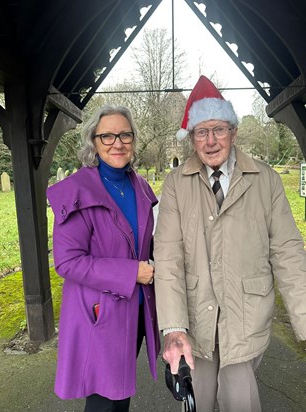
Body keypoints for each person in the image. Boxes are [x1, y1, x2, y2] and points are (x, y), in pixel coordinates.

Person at [154, 75, 306, 412]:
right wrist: (174, 327)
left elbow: (287, 252)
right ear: (191, 138)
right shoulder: (176, 184)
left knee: (241, 401)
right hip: (196, 318)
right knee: (200, 400)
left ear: (233, 132)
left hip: (246, 315)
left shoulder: (265, 179)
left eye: (219, 130)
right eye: (201, 132)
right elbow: (167, 258)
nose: (211, 141)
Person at [47, 105, 160, 412]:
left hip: (135, 313)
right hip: (99, 315)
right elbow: (67, 261)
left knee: (120, 395)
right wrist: (131, 272)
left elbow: (145, 242)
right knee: (102, 402)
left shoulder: (140, 186)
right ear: (93, 142)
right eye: (107, 136)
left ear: (133, 140)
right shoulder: (76, 191)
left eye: (125, 134)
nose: (117, 143)